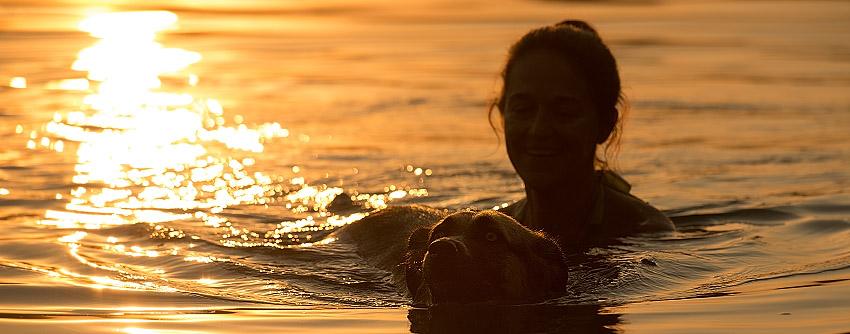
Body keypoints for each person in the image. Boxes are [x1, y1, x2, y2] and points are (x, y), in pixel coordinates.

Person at [492, 20, 675, 249]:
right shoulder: (491, 233)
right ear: (502, 114)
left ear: (604, 126)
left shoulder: (646, 233)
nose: (539, 130)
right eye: (522, 110)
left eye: (564, 113)